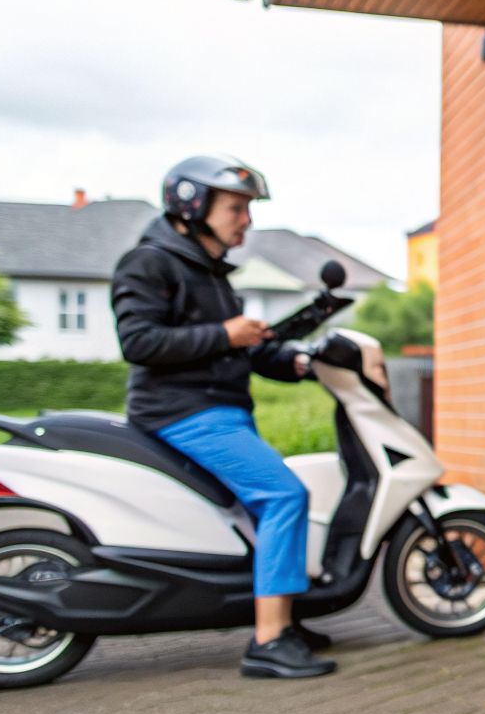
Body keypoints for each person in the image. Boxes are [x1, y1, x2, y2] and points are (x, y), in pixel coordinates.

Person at [110, 154, 335, 679]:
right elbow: (139, 342)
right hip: (184, 411)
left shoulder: (210, 273)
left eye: (247, 209)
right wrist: (227, 334)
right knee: (284, 495)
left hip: (218, 410)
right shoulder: (149, 263)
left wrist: (300, 361)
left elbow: (237, 354)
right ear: (193, 204)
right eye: (237, 208)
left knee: (266, 507)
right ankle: (270, 641)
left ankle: (281, 617)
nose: (246, 220)